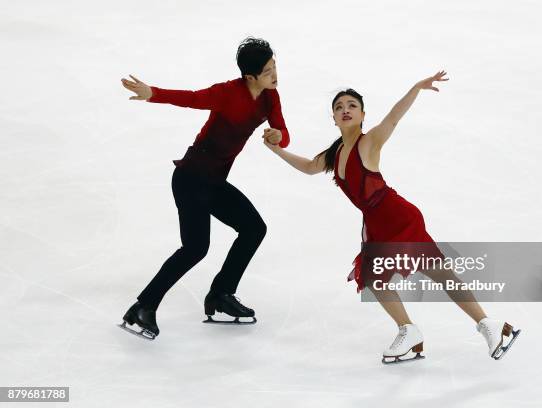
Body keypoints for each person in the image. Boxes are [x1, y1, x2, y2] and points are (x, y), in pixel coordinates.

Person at [265, 71, 520, 362]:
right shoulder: (335, 153)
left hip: (398, 216)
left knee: (438, 271)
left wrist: (416, 88)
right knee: (375, 278)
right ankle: (409, 331)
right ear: (333, 119)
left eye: (351, 105)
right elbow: (310, 166)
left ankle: (489, 325)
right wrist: (276, 150)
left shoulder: (369, 141)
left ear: (362, 114)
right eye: (338, 107)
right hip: (374, 224)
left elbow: (393, 118)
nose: (345, 109)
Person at [118, 37, 290, 340]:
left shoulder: (269, 97)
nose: (275, 75)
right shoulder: (228, 93)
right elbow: (191, 98)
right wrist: (152, 93)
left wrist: (278, 137)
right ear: (250, 76)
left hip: (213, 183)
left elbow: (282, 132)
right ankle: (143, 307)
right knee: (196, 248)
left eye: (274, 67)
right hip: (190, 178)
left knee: (253, 229)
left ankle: (221, 294)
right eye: (267, 71)